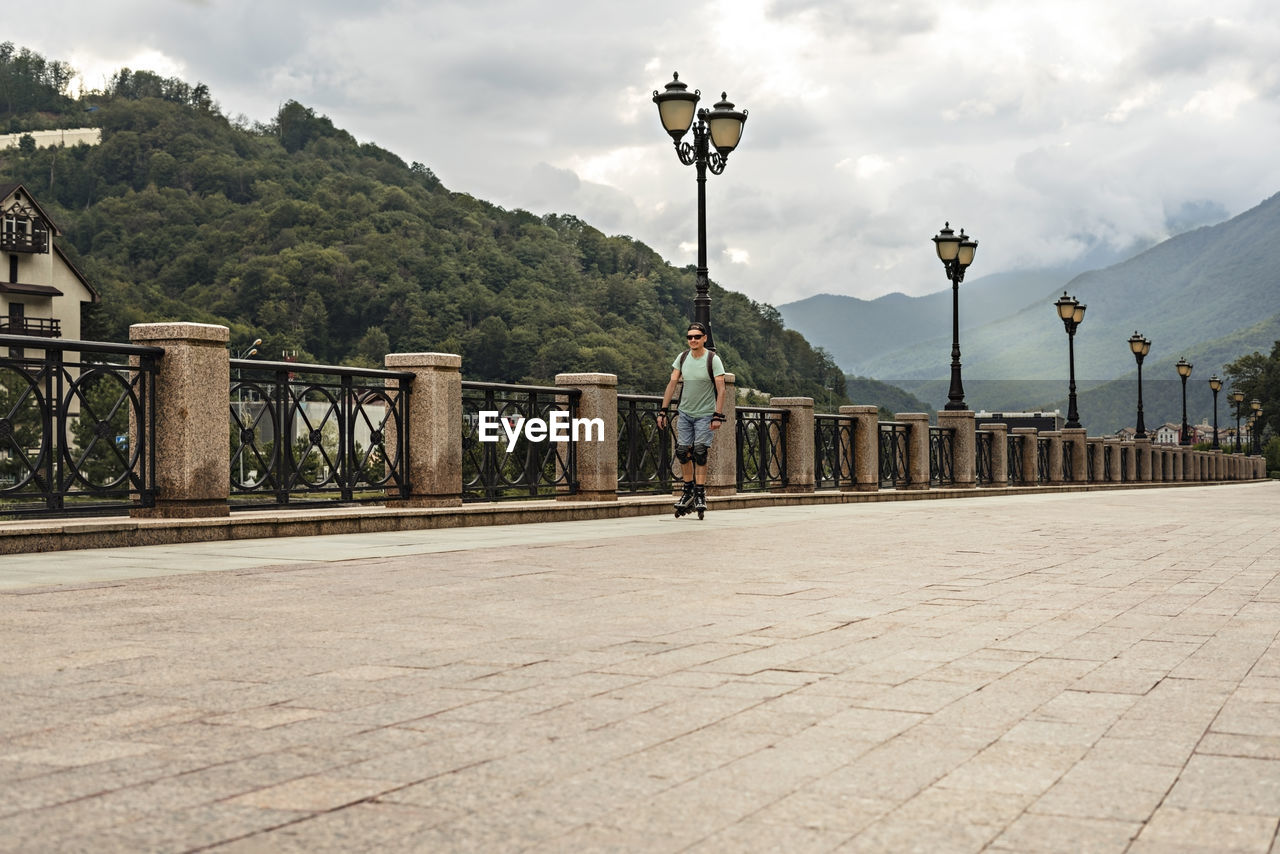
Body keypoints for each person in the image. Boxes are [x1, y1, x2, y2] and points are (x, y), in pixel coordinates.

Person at [656, 322, 727, 517]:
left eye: (697, 336)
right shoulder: (683, 357)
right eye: (690, 337)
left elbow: (721, 389)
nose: (693, 340)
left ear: (705, 338)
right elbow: (672, 384)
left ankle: (700, 493)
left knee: (700, 451)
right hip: (685, 413)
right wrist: (663, 411)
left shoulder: (713, 359)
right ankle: (687, 492)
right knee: (681, 451)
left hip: (705, 414)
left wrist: (717, 415)